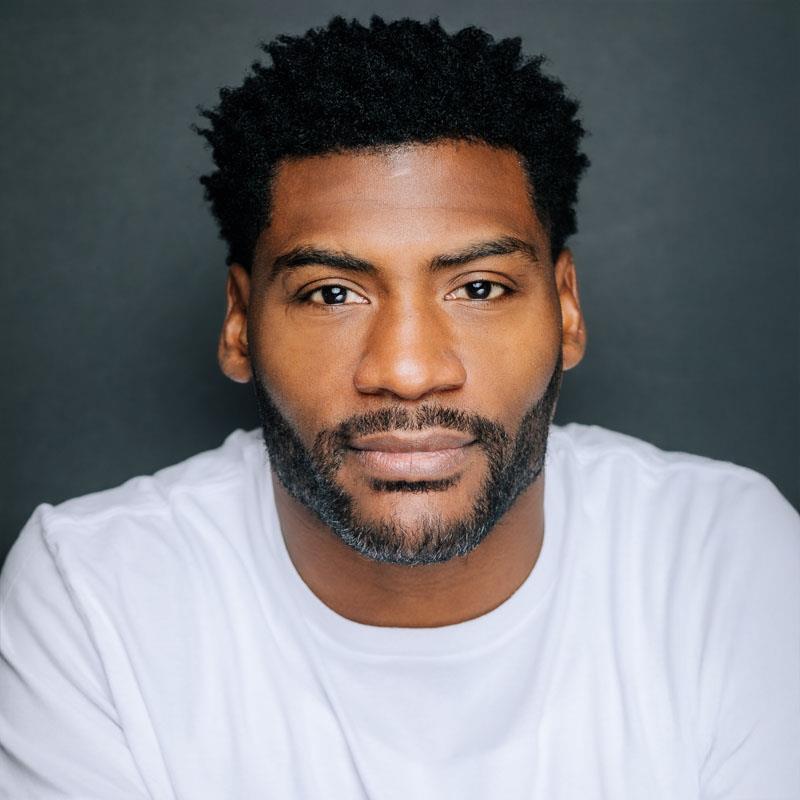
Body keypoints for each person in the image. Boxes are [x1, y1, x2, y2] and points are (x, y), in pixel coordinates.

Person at [1, 15, 797, 799]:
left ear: (567, 309)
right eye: (332, 293)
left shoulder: (721, 557)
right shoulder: (95, 592)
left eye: (478, 288)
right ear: (241, 323)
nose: (409, 372)